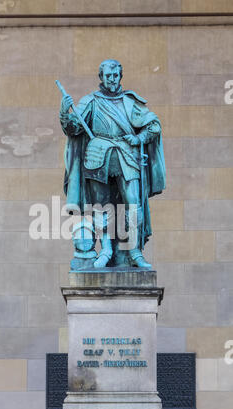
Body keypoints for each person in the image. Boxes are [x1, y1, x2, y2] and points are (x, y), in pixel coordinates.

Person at [59, 59, 165, 269]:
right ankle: (106, 250)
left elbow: (154, 125)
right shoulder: (91, 101)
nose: (112, 79)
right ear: (101, 77)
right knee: (101, 206)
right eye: (108, 76)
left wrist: (139, 139)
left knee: (134, 204)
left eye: (115, 75)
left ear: (120, 76)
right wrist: (64, 113)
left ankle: (134, 252)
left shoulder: (130, 102)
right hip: (98, 155)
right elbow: (74, 128)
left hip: (126, 155)